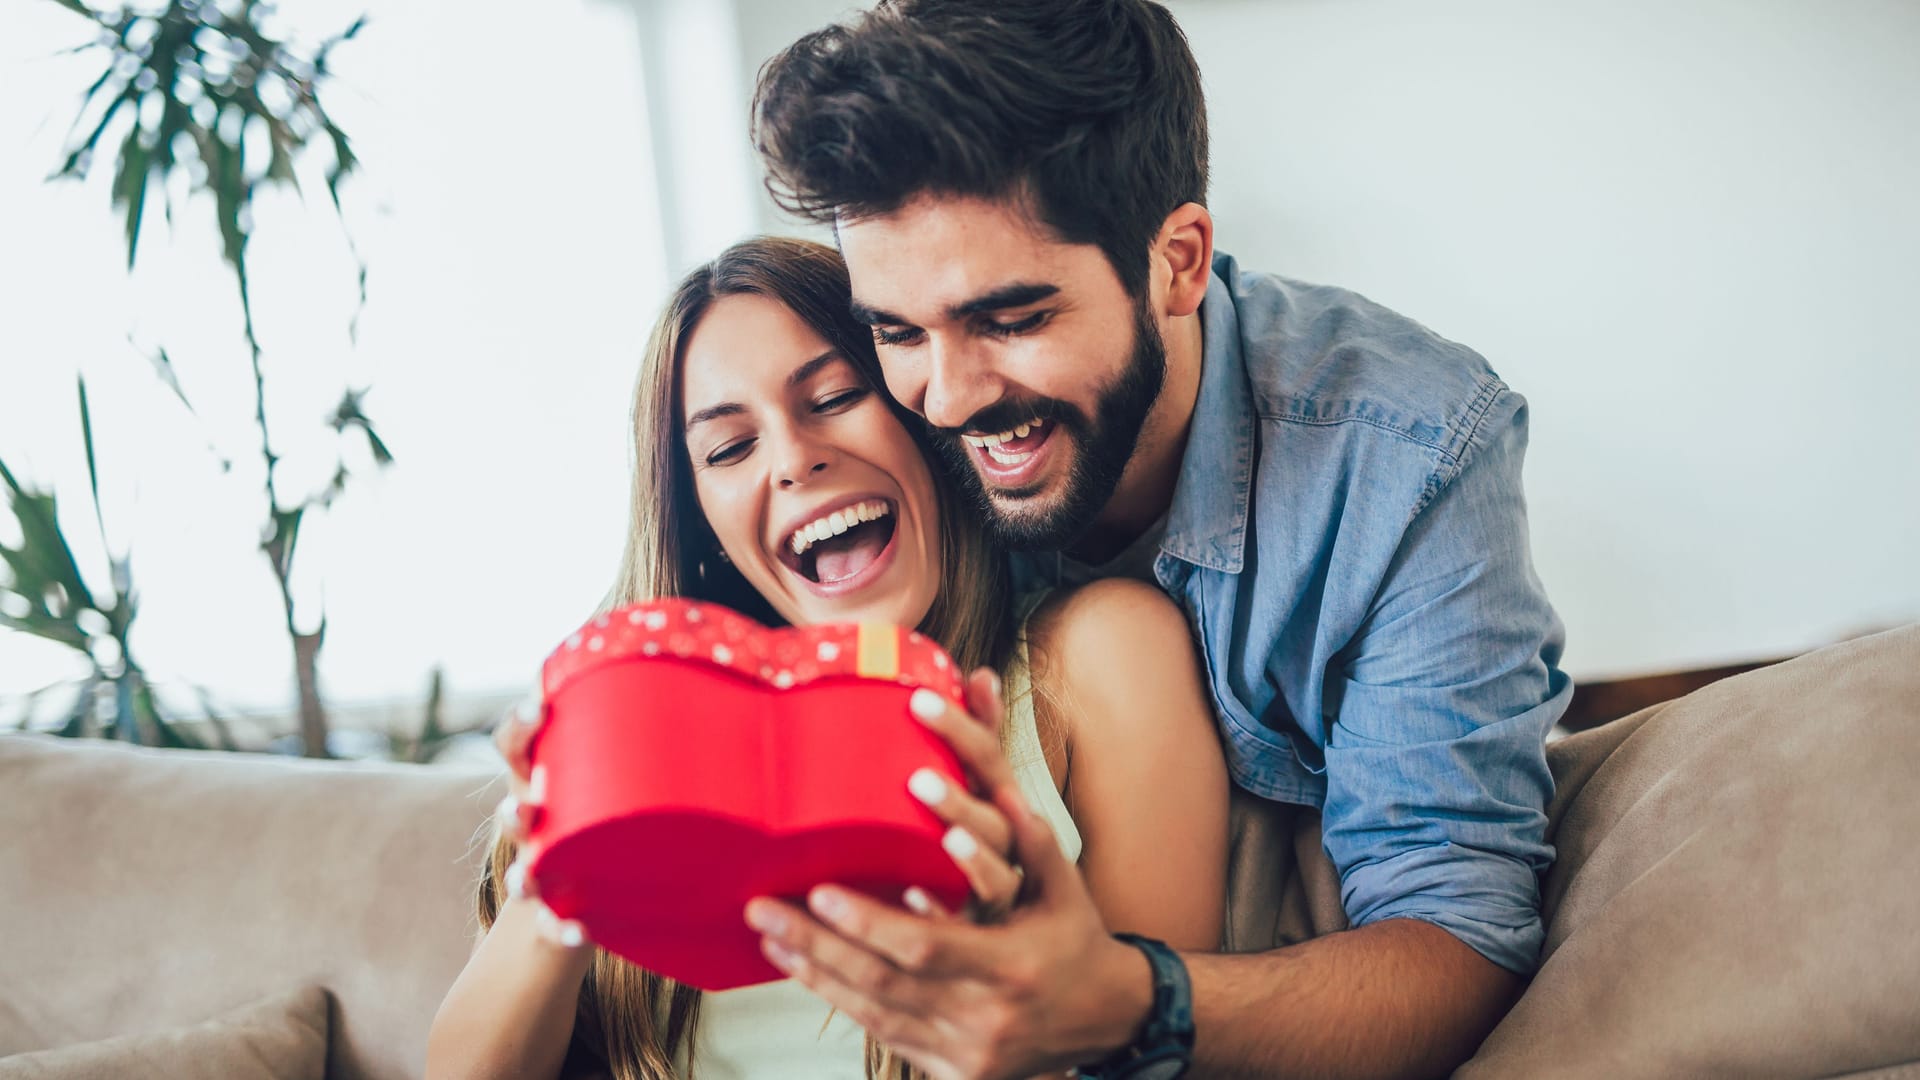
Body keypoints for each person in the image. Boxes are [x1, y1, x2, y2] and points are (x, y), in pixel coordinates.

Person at [742, 2, 1571, 1077]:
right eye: (898, 330)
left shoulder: (1411, 448)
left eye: (1011, 320)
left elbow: (1457, 939)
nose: (944, 398)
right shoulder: (880, 428)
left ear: (1177, 262)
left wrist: (1128, 999)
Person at [425, 237, 1231, 1080]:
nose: (792, 458)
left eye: (836, 395)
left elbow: (1160, 1052)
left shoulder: (1099, 658)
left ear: (925, 414)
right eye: (730, 449)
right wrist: (557, 886)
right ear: (707, 528)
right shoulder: (658, 747)